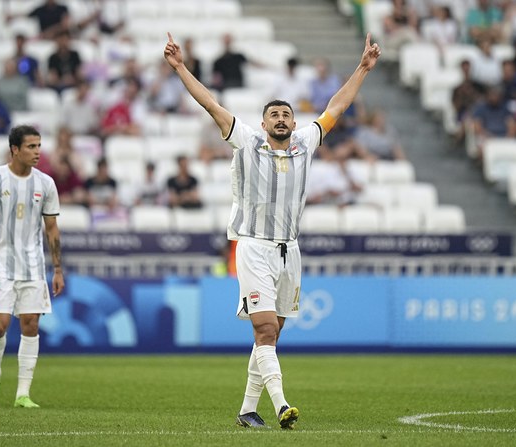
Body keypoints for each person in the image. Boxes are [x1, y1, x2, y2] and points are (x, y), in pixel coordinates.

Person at [163, 32, 380, 429]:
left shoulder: (305, 143)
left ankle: (247, 410)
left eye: (286, 115)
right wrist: (180, 67)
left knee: (270, 335)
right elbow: (210, 102)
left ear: (293, 122)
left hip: (289, 251)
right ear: (263, 123)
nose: (280, 119)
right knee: (264, 327)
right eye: (274, 115)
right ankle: (282, 405)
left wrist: (362, 69)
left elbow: (337, 105)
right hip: (253, 247)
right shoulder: (246, 142)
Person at [0, 124, 65, 409]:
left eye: (39, 146)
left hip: (33, 267)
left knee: (31, 324)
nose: (38, 152)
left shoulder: (46, 184)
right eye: (31, 147)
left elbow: (52, 229)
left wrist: (58, 269)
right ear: (15, 149)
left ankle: (23, 393)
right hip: (0, 265)